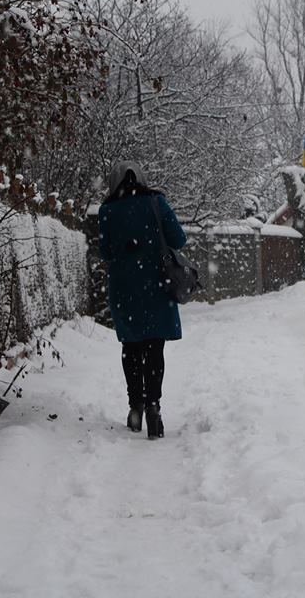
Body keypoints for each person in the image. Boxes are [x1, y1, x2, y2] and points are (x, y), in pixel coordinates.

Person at [98, 161, 187, 440]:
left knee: (131, 347)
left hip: (124, 287)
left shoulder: (107, 210)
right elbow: (179, 239)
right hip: (156, 285)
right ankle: (153, 408)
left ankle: (135, 407)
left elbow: (105, 251)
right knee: (154, 347)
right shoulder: (156, 202)